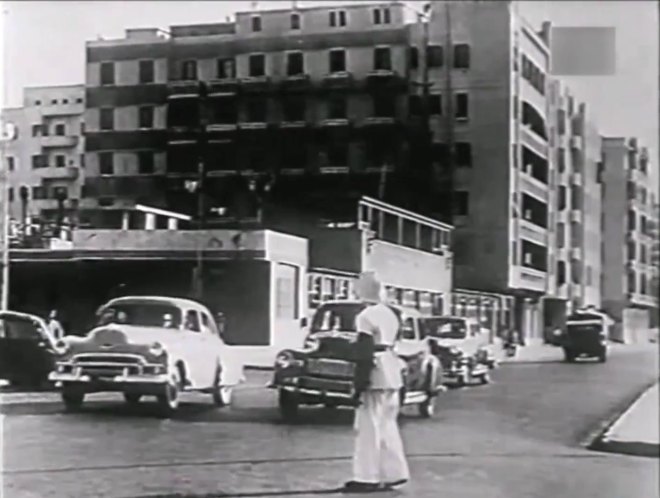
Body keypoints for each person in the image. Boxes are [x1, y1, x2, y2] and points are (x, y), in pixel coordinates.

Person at [343, 272, 410, 493]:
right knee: (388, 425)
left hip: (375, 372)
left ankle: (366, 477)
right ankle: (395, 472)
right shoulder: (391, 314)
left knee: (368, 427)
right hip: (392, 369)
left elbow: (364, 352)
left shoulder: (365, 316)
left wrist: (358, 384)